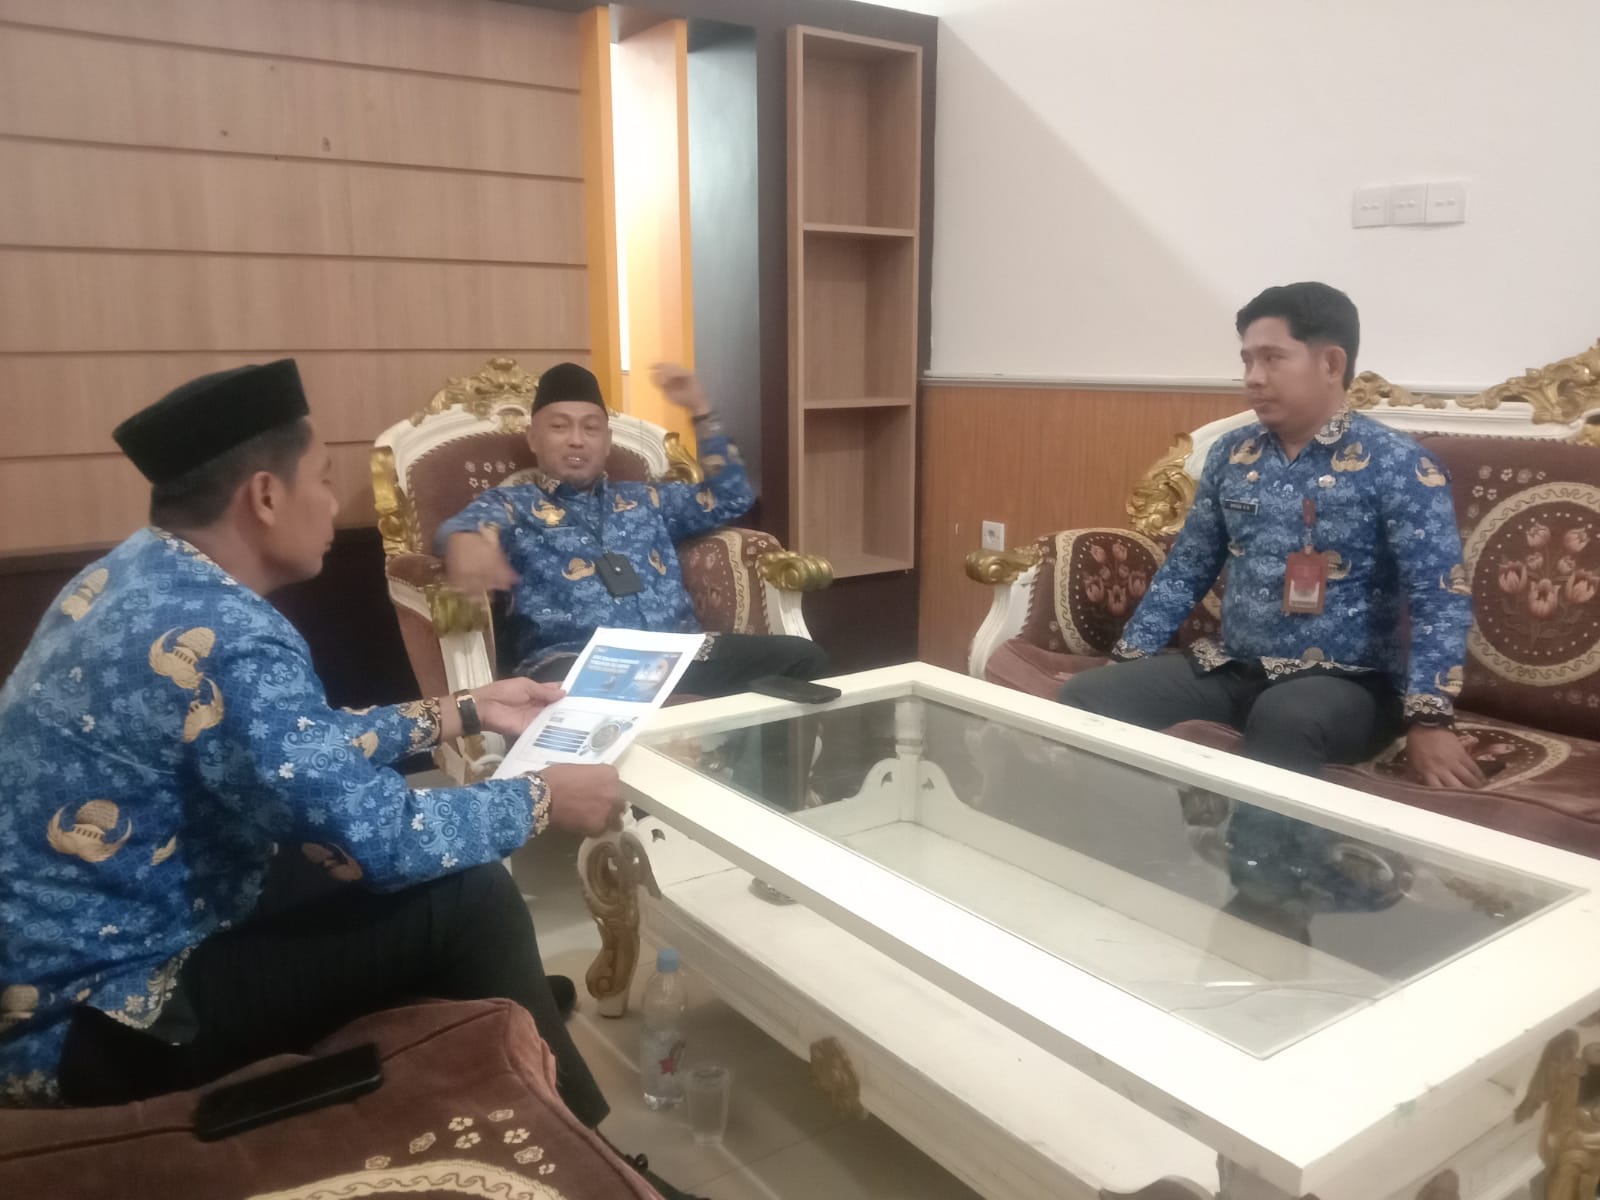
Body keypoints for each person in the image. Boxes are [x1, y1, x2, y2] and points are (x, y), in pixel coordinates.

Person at [0, 360, 623, 1133]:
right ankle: (595, 1153)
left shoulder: (129, 574)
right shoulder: (230, 634)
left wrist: (462, 710)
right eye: (324, 480)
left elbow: (294, 751)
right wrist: (543, 798)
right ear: (265, 496)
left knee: (381, 878)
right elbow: (383, 837)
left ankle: (489, 986)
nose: (332, 504)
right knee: (471, 898)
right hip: (98, 1024)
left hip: (67, 961)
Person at [1060, 283, 1482, 788]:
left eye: (1272, 358)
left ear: (1331, 363)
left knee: (1287, 718)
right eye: (1247, 361)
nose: (1253, 378)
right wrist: (1127, 658)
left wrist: (1431, 720)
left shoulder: (1399, 464)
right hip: (1233, 666)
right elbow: (1188, 568)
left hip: (1347, 683)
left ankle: (1263, 845)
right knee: (1087, 698)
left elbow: (1439, 596)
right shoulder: (1233, 455)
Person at [438, 361, 828, 695]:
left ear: (607, 442)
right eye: (559, 427)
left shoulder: (648, 498)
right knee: (579, 693)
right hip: (577, 663)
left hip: (680, 655)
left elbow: (732, 496)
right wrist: (465, 540)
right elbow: (462, 528)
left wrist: (701, 411)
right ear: (534, 438)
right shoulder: (511, 504)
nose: (576, 440)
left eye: (591, 428)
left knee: (802, 658)